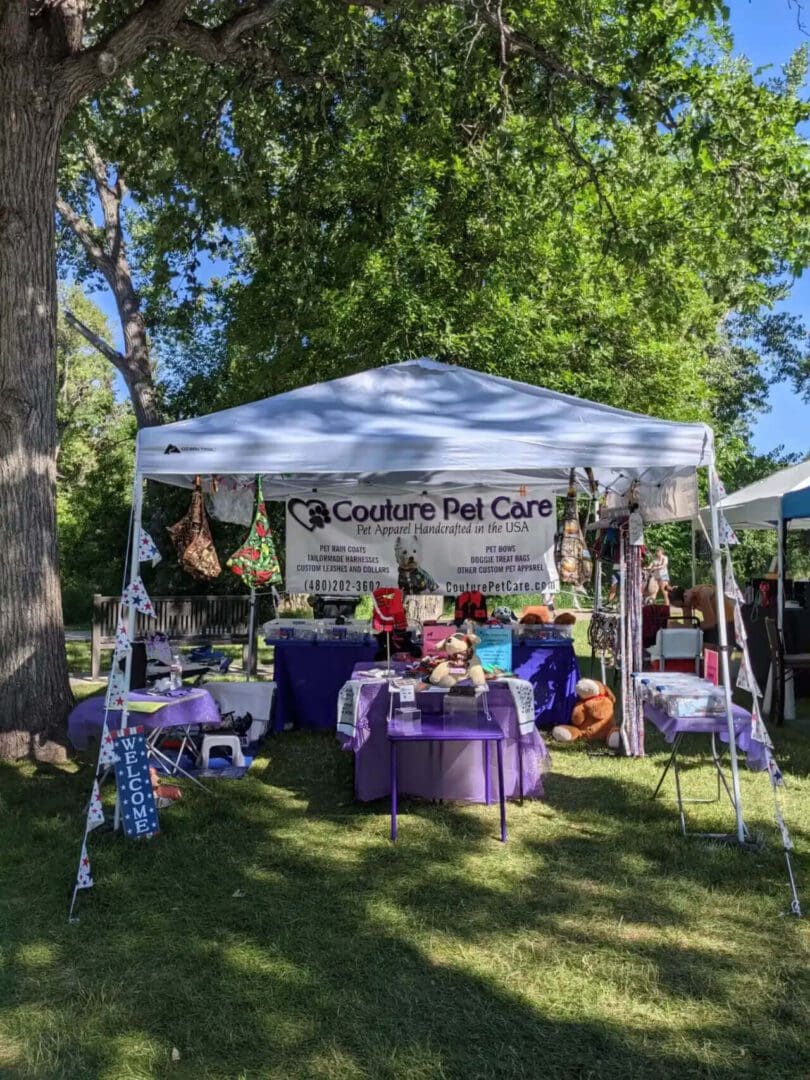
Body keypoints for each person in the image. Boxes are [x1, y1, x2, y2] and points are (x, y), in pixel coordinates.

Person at [668, 584, 735, 647]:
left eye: (682, 605)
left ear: (685, 596)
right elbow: (687, 622)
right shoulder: (687, 600)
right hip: (716, 624)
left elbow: (710, 623)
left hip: (729, 622)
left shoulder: (703, 593)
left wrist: (690, 628)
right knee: (704, 646)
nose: (683, 608)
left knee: (710, 646)